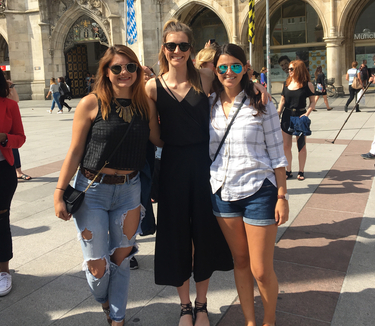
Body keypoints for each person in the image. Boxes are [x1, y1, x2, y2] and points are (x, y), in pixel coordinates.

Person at [54, 45, 162, 326]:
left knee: (122, 260)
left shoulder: (145, 104)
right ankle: (104, 300)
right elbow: (75, 151)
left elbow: (160, 140)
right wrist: (58, 193)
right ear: (106, 71)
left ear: (139, 71)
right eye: (117, 68)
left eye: (130, 67)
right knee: (97, 266)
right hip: (93, 191)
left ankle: (117, 318)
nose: (124, 72)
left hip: (130, 190)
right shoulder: (91, 103)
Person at [145, 19, 233, 326]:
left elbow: (237, 89)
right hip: (172, 166)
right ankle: (185, 306)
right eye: (171, 46)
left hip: (204, 165)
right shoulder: (153, 86)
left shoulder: (206, 78)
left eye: (183, 45)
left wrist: (260, 88)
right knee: (175, 234)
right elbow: (154, 135)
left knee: (204, 234)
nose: (177, 51)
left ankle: (203, 304)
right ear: (164, 49)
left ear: (191, 49)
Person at [209, 44, 288, 326]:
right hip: (223, 192)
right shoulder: (209, 104)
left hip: (260, 191)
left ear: (245, 68)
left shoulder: (261, 102)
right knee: (239, 262)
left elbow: (278, 154)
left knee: (261, 269)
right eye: (222, 67)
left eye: (235, 66)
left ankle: (269, 321)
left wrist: (282, 195)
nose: (229, 72)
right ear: (215, 71)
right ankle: (250, 322)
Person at [0, 69, 26, 296]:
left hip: (2, 171)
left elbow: (20, 137)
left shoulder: (9, 106)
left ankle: (3, 271)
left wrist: (4, 138)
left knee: (1, 219)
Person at [277, 60, 315, 181]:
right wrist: (278, 113)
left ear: (298, 69)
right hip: (287, 115)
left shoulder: (307, 84)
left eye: (291, 69)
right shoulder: (286, 83)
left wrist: (306, 114)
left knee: (301, 146)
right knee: (286, 146)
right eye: (288, 69)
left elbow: (313, 101)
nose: (289, 71)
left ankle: (301, 170)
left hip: (300, 115)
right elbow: (282, 101)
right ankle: (288, 170)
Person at [6, 80, 31, 180]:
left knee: (13, 146)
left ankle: (18, 172)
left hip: (7, 121)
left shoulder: (5, 88)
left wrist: (11, 86)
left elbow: (15, 100)